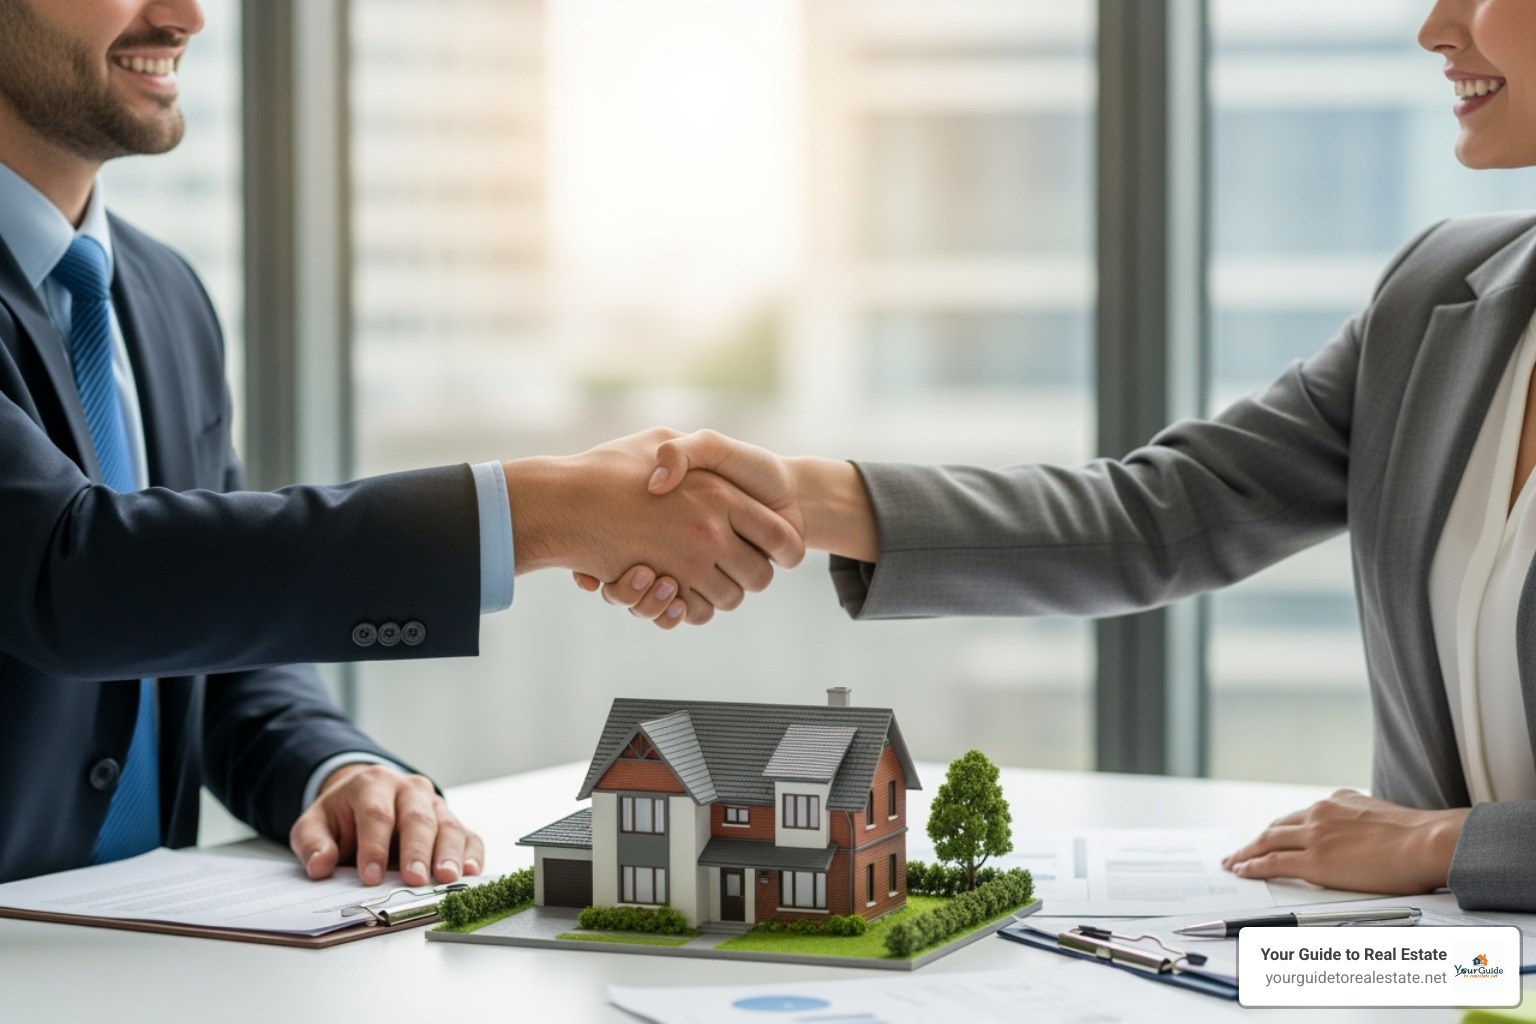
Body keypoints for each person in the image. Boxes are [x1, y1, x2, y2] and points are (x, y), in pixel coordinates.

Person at [593, 0, 1536, 912]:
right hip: (1431, 971)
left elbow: (1439, 837)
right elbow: (1159, 517)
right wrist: (799, 499)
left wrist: (1441, 845)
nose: (1435, 28)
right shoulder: (1433, 298)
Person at [0, 0, 801, 886]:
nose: (186, 15)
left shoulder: (165, 295)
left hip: (138, 951)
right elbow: (74, 575)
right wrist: (536, 511)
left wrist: (336, 770)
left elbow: (211, 639)